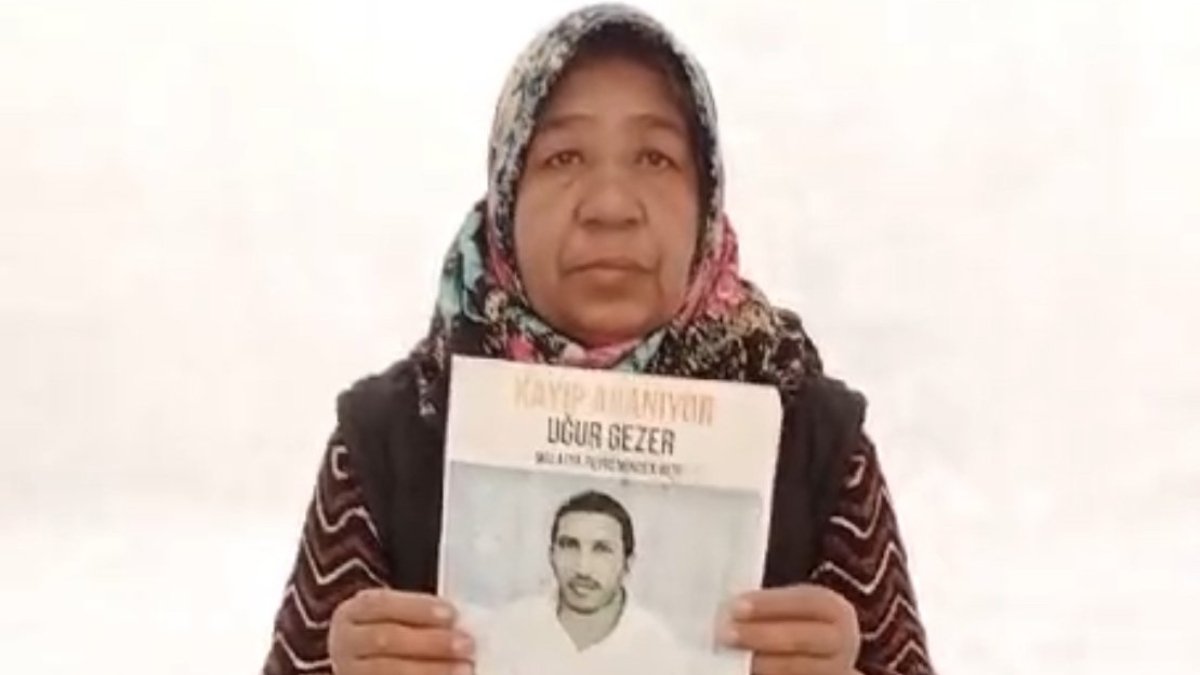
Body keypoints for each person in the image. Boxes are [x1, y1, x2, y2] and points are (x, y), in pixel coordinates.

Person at [262, 4, 935, 675]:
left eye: (655, 157)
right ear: (506, 197)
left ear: (706, 200)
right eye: (563, 157)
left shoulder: (812, 442)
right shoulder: (392, 438)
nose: (611, 206)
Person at [468, 490, 687, 675]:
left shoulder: (659, 650)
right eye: (570, 546)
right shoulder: (508, 628)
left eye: (602, 549)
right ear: (551, 555)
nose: (583, 568)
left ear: (628, 563)